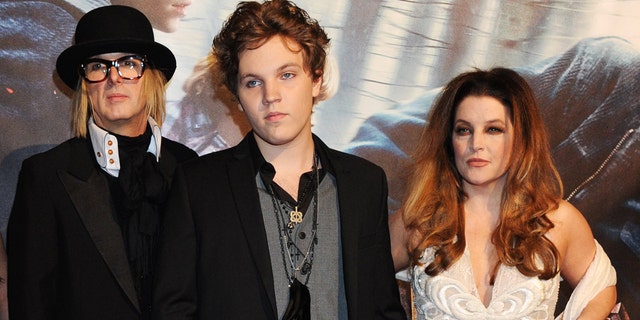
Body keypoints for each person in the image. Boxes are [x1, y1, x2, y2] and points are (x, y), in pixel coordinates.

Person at [152, 0, 405, 319]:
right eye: (253, 82)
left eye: (286, 75)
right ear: (238, 98)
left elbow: (383, 307)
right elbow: (173, 311)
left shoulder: (365, 182)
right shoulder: (198, 187)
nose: (270, 95)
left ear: (315, 80)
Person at [6, 5, 197, 320]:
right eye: (98, 66)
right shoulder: (44, 176)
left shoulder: (190, 167)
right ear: (84, 84)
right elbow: (31, 303)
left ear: (152, 77)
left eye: (129, 63)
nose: (114, 77)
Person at [390, 67, 618, 319]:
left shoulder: (557, 220)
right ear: (448, 139)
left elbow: (600, 288)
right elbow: (352, 284)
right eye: (463, 129)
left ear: (521, 138)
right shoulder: (417, 220)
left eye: (493, 130)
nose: (476, 144)